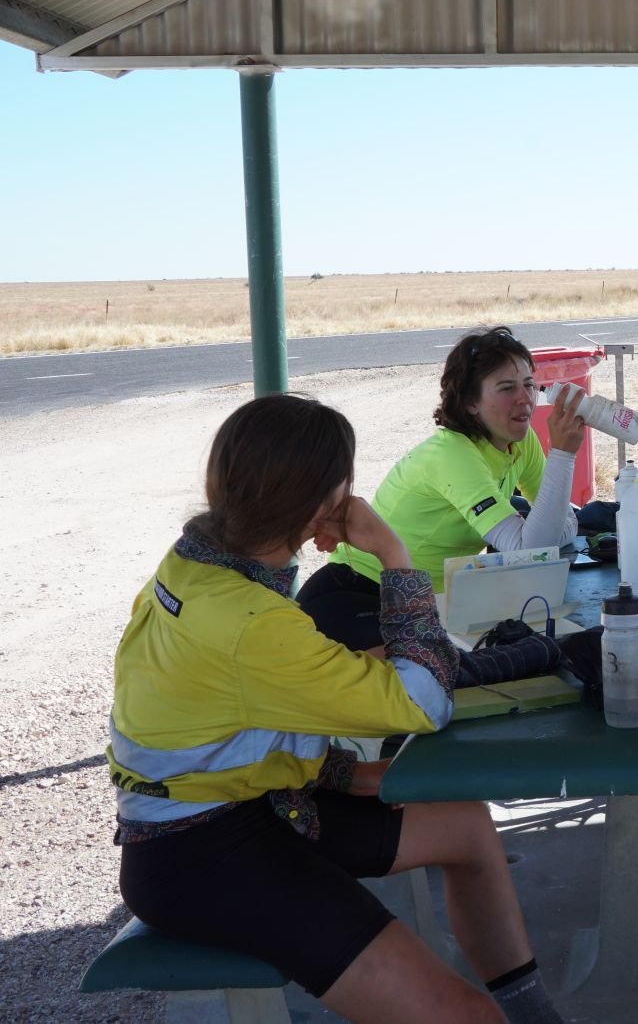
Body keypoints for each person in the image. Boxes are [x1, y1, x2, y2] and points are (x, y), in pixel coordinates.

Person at [110, 394, 565, 1023]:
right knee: (468, 1017)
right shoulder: (251, 620)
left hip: (241, 805)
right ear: (322, 501)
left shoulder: (195, 560)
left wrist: (338, 773)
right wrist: (393, 555)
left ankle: (536, 1015)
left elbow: (224, 715)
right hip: (203, 855)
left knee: (464, 825)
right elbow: (424, 701)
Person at [298, 326, 587, 653]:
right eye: (507, 387)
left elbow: (560, 523)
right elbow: (531, 544)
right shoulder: (453, 454)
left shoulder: (519, 442)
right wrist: (563, 455)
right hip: (357, 596)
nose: (525, 398)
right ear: (470, 403)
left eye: (529, 384)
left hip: (428, 602)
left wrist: (553, 526)